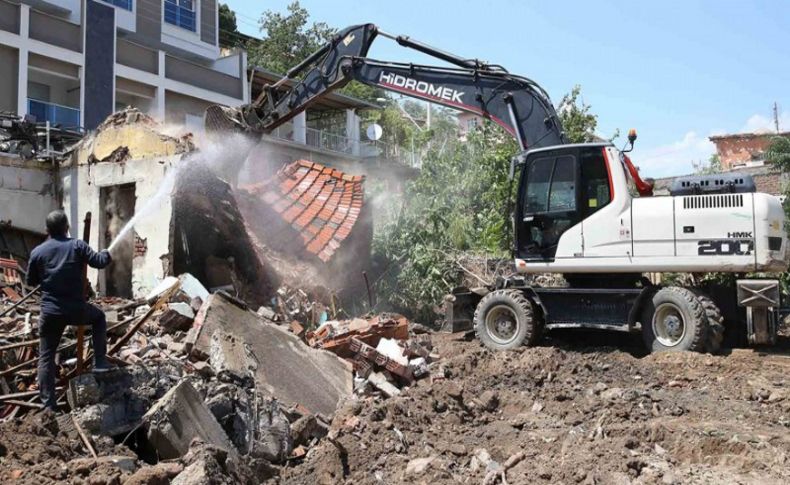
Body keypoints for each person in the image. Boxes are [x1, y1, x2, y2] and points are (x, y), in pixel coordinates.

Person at [26, 210, 114, 411]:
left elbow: (30, 281)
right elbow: (100, 262)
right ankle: (100, 362)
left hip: (50, 313)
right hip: (76, 310)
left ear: (47, 230)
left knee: (46, 356)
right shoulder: (77, 245)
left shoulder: (37, 252)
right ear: (67, 228)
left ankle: (49, 406)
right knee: (99, 317)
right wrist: (106, 253)